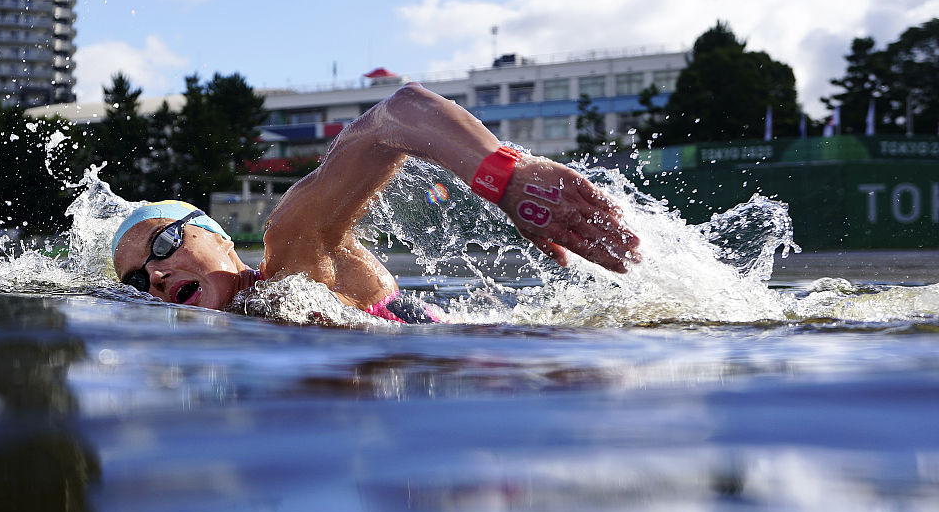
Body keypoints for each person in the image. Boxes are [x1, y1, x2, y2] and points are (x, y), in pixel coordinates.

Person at [111, 82, 640, 323]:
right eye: (137, 278)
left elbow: (399, 112)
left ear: (220, 238)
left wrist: (505, 175)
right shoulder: (238, 330)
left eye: (164, 242)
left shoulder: (293, 249)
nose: (155, 275)